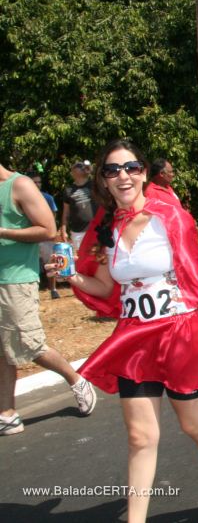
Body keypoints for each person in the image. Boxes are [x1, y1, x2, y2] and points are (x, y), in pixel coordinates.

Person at [49, 139, 198, 523]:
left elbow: (195, 283)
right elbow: (107, 288)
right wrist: (72, 276)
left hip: (181, 332)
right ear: (103, 181)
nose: (123, 176)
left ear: (142, 173)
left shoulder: (170, 217)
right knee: (140, 437)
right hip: (136, 338)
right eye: (112, 170)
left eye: (131, 167)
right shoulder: (107, 227)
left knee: (193, 424)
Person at [0, 163, 96, 437]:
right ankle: (7, 414)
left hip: (15, 278)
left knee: (29, 344)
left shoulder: (19, 186)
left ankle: (77, 379)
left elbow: (47, 228)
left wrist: (3, 231)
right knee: (2, 350)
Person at [30, 172, 60, 299]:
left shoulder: (48, 198)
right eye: (34, 182)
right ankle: (33, 291)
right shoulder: (24, 198)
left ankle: (53, 289)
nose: (37, 184)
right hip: (31, 237)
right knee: (31, 265)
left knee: (51, 263)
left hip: (46, 238)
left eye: (39, 182)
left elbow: (53, 217)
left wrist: (53, 232)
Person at [60, 160, 97, 252]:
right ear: (72, 172)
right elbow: (66, 213)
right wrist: (63, 230)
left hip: (95, 229)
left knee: (96, 257)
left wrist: (91, 171)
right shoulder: (69, 190)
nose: (80, 167)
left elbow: (106, 181)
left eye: (81, 166)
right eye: (77, 166)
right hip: (78, 231)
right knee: (81, 258)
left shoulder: (94, 185)